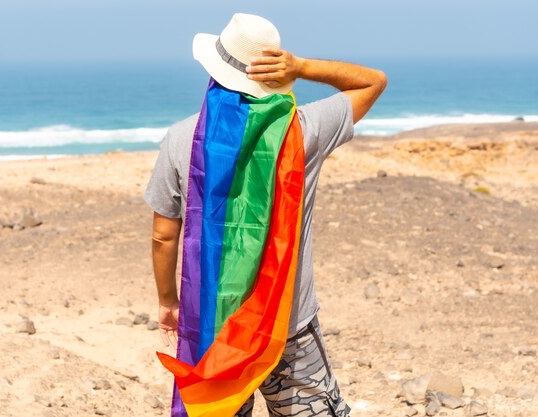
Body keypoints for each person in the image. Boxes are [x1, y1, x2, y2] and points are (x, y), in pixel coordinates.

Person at [144, 13, 387, 417]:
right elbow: (373, 81)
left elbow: (164, 236)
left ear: (214, 68)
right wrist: (303, 67)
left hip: (211, 323)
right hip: (288, 325)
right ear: (275, 74)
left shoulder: (180, 139)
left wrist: (169, 299)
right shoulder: (301, 128)